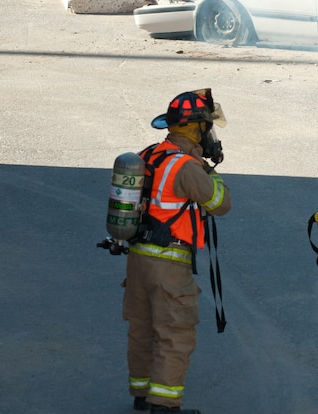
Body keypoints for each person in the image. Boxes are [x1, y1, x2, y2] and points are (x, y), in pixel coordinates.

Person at [123, 88, 232, 413]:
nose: (209, 133)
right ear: (196, 128)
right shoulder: (186, 167)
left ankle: (142, 397)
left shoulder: (150, 154)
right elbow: (220, 204)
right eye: (206, 126)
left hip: (138, 261)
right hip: (170, 265)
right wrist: (212, 173)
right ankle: (164, 405)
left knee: (142, 331)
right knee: (174, 335)